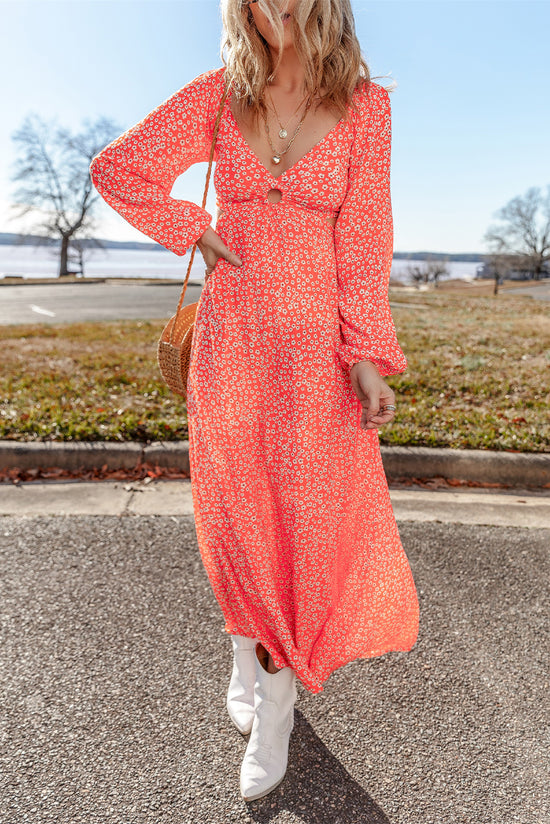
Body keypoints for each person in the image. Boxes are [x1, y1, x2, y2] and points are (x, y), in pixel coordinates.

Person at [89, 0, 419, 803]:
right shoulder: (216, 93)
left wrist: (367, 356)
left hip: (315, 357)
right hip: (233, 346)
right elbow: (117, 168)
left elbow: (365, 240)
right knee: (238, 518)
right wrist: (190, 227)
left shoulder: (366, 107)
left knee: (300, 527)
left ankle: (275, 707)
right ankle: (250, 662)